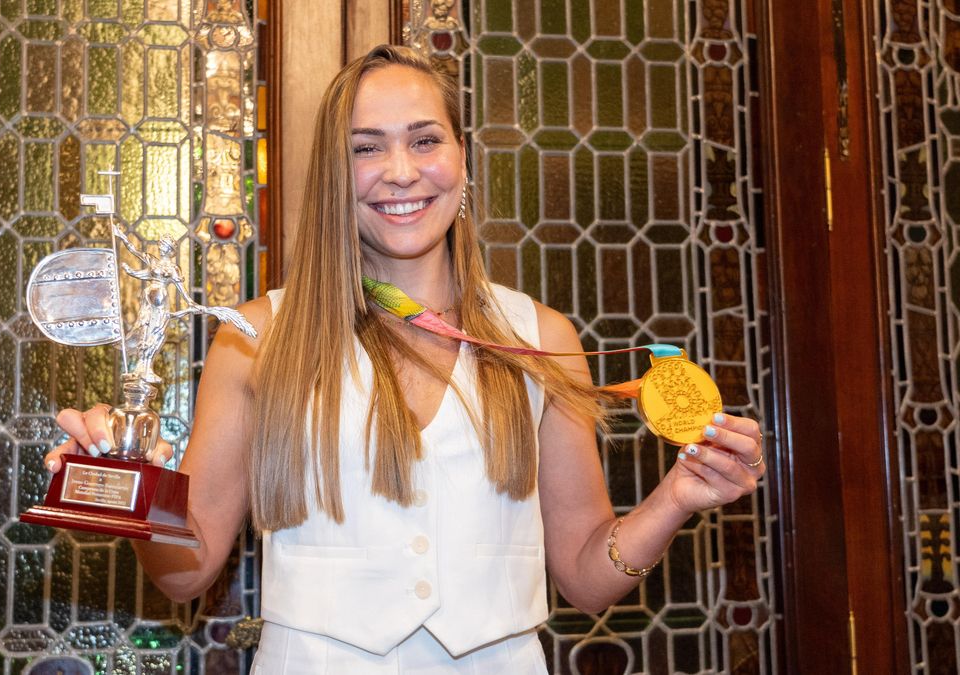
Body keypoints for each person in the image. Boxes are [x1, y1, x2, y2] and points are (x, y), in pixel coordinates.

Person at [44, 44, 765, 673]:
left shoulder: (542, 335)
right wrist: (128, 489)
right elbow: (187, 570)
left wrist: (677, 497)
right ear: (335, 171)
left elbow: (585, 574)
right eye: (366, 147)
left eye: (425, 140)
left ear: (460, 155)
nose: (400, 170)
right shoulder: (255, 337)